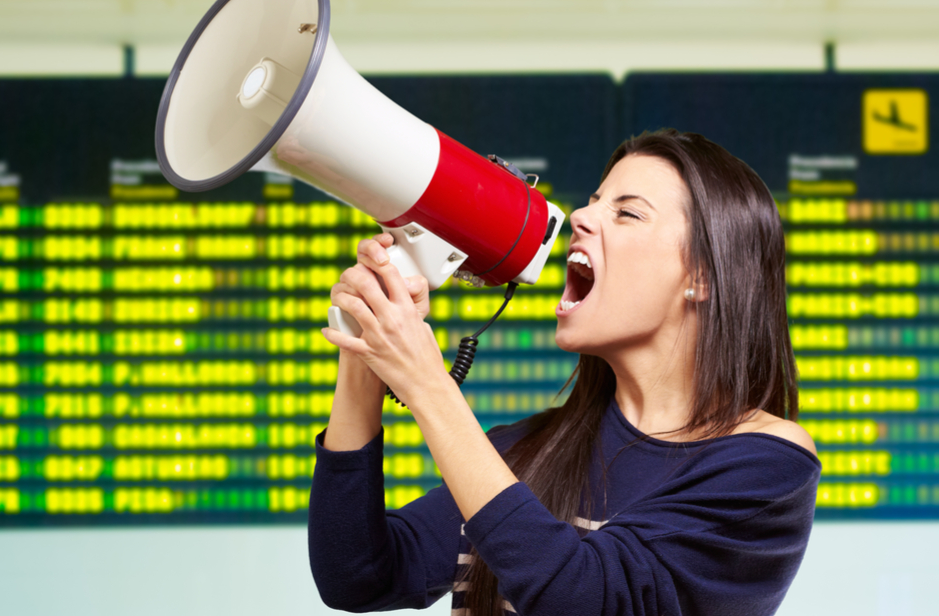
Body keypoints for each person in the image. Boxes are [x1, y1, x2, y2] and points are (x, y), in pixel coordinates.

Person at [308, 129, 821, 616]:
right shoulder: (534, 448)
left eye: (627, 214)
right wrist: (364, 345)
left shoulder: (765, 465)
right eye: (594, 201)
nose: (581, 216)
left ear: (702, 277)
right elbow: (356, 573)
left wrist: (426, 383)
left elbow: (584, 599)